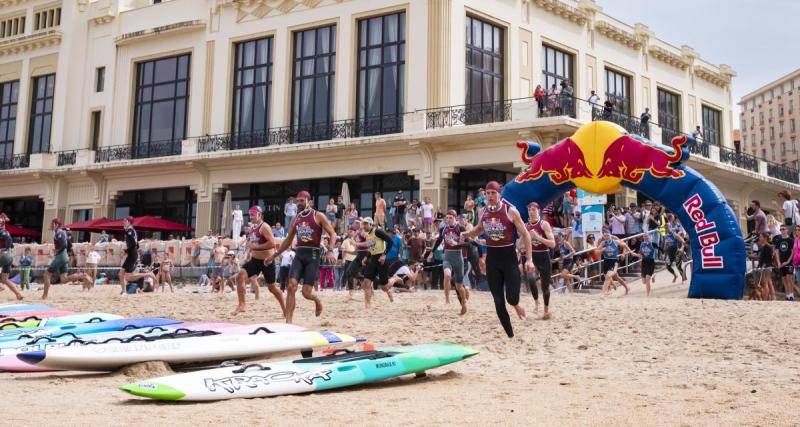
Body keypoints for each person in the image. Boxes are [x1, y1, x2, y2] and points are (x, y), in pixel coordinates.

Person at [462, 181, 533, 338]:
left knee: (512, 298)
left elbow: (526, 235)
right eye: (488, 193)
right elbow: (480, 229)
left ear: (499, 194)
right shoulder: (483, 211)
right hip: (492, 259)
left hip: (508, 258)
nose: (491, 196)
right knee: (498, 301)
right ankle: (511, 336)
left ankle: (516, 305)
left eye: (493, 193)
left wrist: (529, 259)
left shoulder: (510, 211)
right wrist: (468, 234)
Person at [267, 191, 336, 323]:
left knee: (306, 293)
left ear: (309, 202)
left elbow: (333, 234)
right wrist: (274, 255)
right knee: (291, 285)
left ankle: (317, 300)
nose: (299, 204)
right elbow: (288, 240)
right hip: (299, 254)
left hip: (313, 255)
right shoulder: (296, 218)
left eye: (301, 201)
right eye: (297, 201)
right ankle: (289, 321)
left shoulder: (318, 216)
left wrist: (331, 250)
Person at [232, 206, 285, 316]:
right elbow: (252, 242)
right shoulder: (252, 227)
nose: (250, 217)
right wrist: (249, 248)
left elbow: (272, 243)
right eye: (250, 215)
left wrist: (254, 247)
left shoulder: (264, 227)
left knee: (272, 288)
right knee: (240, 276)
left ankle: (285, 309)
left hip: (267, 261)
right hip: (255, 260)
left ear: (259, 215)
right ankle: (241, 305)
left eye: (253, 215)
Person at [431, 210, 468, 314]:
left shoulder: (460, 228)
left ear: (455, 218)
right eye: (446, 218)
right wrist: (431, 252)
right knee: (447, 275)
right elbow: (439, 240)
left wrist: (456, 243)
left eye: (450, 218)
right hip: (447, 256)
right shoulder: (443, 229)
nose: (448, 220)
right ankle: (447, 299)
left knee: (458, 286)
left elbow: (468, 244)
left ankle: (464, 304)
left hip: (458, 258)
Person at [525, 202, 556, 317]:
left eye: (533, 210)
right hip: (532, 256)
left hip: (544, 256)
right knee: (531, 279)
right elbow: (521, 243)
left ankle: (546, 309)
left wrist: (537, 237)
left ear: (539, 211)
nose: (531, 212)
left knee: (545, 286)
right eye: (529, 210)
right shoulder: (526, 225)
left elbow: (552, 244)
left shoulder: (544, 224)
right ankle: (536, 302)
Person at [354, 217, 393, 307]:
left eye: (366, 224)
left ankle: (395, 279)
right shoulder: (368, 235)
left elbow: (390, 242)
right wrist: (366, 257)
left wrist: (384, 255)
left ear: (371, 224)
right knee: (366, 282)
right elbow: (371, 249)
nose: (364, 226)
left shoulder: (378, 231)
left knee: (384, 287)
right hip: (373, 259)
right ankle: (367, 306)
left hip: (381, 259)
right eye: (363, 224)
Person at [117, 216, 155, 296]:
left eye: (125, 220)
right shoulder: (130, 230)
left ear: (129, 222)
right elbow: (136, 243)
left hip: (132, 254)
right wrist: (137, 250)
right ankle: (124, 291)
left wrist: (125, 251)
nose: (123, 222)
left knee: (128, 276)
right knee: (122, 274)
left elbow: (134, 244)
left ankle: (147, 274)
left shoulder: (130, 231)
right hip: (132, 253)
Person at [599, 231, 631, 296]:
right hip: (606, 261)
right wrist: (602, 249)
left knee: (608, 276)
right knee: (616, 277)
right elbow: (596, 251)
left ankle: (604, 292)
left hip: (614, 261)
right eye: (605, 236)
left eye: (607, 235)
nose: (606, 237)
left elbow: (624, 244)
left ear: (610, 235)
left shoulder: (615, 240)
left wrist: (626, 252)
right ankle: (626, 287)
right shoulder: (603, 242)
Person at [0, 215, 23, 300]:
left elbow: (9, 239)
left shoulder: (2, 232)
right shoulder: (6, 231)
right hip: (9, 257)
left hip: (4, 255)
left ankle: (0, 287)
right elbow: (11, 244)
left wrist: (5, 249)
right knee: (5, 279)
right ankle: (18, 294)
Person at [750, 232, 776, 300]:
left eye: (761, 237)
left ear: (765, 238)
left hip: (766, 266)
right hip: (767, 266)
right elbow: (760, 257)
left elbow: (767, 258)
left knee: (765, 284)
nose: (760, 238)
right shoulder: (765, 246)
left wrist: (762, 266)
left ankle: (765, 298)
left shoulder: (767, 246)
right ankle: (773, 298)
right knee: (769, 283)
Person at [773, 224, 796, 301]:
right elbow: (776, 252)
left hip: (789, 263)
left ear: (787, 230)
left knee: (789, 278)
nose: (782, 231)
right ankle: (787, 294)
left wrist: (787, 262)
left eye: (783, 229)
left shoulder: (791, 240)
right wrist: (779, 262)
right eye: (781, 229)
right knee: (784, 279)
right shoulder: (778, 240)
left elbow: (793, 252)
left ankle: (791, 294)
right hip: (781, 262)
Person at [631, 232, 656, 296]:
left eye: (646, 236)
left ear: (649, 237)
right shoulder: (641, 244)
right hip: (644, 262)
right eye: (644, 236)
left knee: (647, 279)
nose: (645, 237)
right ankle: (653, 276)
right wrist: (635, 254)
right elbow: (640, 254)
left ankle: (648, 294)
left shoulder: (652, 244)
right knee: (644, 282)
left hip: (651, 262)